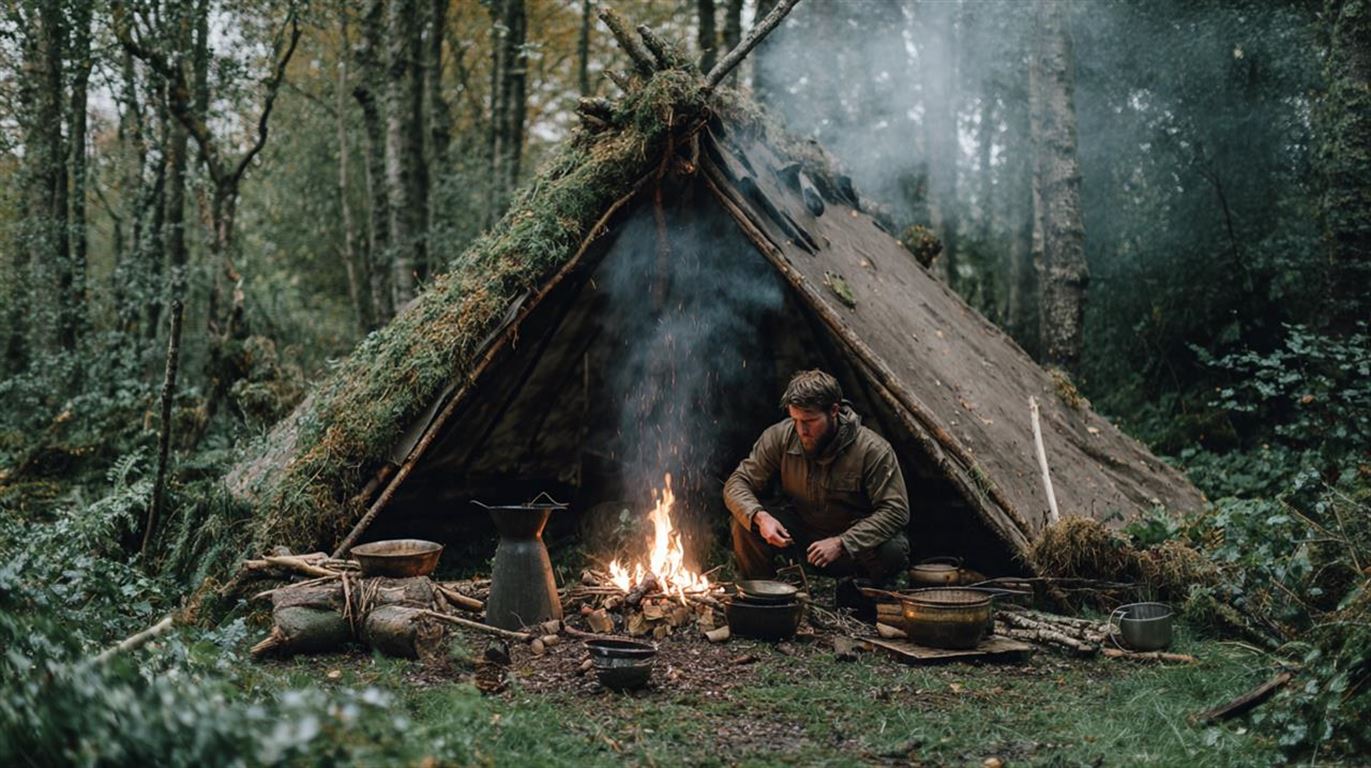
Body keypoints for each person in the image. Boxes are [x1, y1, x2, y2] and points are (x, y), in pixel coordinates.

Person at [723, 369, 910, 587]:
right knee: (744, 521)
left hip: (854, 547)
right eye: (795, 419)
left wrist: (843, 542)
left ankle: (868, 591)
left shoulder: (872, 450)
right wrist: (761, 517)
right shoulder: (780, 437)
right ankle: (762, 592)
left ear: (834, 411)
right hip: (802, 538)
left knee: (892, 550)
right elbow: (737, 483)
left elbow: (896, 510)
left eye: (810, 420)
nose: (801, 430)